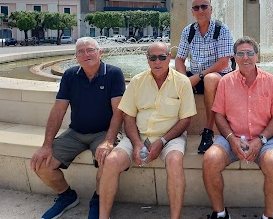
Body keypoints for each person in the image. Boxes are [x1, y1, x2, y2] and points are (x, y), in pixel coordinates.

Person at [30, 37, 126, 219]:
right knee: (42, 165)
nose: (86, 54)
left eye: (90, 50)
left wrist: (108, 140)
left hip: (103, 132)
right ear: (76, 57)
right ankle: (67, 196)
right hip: (75, 133)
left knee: (108, 161)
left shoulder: (114, 73)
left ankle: (98, 199)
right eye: (80, 52)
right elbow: (58, 110)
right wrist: (46, 145)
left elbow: (118, 111)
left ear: (100, 53)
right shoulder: (70, 75)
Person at [98, 41, 197, 219]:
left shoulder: (182, 82)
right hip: (138, 135)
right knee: (111, 161)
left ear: (169, 58)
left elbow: (186, 119)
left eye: (161, 57)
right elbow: (128, 116)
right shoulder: (137, 81)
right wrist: (136, 143)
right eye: (153, 57)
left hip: (170, 137)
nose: (157, 61)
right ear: (147, 59)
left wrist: (162, 142)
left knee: (175, 161)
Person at [203, 36, 273, 219]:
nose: (245, 57)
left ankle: (268, 216)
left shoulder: (271, 82)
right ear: (234, 57)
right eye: (240, 53)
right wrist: (231, 140)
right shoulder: (225, 82)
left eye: (250, 53)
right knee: (210, 159)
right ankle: (220, 213)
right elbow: (219, 115)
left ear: (257, 55)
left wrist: (261, 140)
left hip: (264, 139)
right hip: (231, 137)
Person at [175, 0, 234, 154]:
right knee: (170, 77)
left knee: (209, 79)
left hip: (219, 77)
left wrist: (198, 77)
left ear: (211, 9)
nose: (200, 10)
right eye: (196, 7)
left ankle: (208, 130)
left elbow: (223, 62)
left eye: (204, 6)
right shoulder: (188, 31)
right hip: (195, 77)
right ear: (192, 12)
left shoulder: (221, 29)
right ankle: (171, 129)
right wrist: (183, 80)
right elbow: (179, 59)